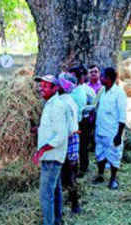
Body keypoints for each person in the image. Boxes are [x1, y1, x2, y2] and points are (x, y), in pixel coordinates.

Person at [33, 75, 69, 225]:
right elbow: (53, 129)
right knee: (55, 191)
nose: (42, 88)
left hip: (52, 156)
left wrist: (41, 150)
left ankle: (49, 222)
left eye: (46, 86)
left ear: (56, 89)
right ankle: (57, 220)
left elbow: (60, 135)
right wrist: (39, 130)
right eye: (41, 85)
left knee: (45, 195)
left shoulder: (57, 106)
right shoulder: (49, 104)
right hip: (51, 155)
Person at [93, 67, 127, 190]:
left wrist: (119, 135)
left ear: (109, 78)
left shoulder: (119, 93)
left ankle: (113, 179)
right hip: (100, 129)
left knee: (114, 155)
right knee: (100, 153)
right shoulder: (102, 91)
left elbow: (122, 116)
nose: (100, 78)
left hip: (112, 132)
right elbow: (96, 107)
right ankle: (100, 174)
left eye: (102, 76)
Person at [58, 73, 81, 214]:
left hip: (66, 139)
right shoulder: (70, 100)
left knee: (66, 173)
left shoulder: (63, 103)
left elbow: (68, 128)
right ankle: (74, 203)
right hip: (72, 139)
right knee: (70, 173)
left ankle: (74, 203)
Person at [69, 66, 95, 178]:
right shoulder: (68, 89)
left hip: (83, 122)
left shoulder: (86, 90)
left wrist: (85, 110)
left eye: (74, 76)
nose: (71, 79)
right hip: (71, 121)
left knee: (83, 145)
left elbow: (94, 104)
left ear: (80, 78)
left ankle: (83, 168)